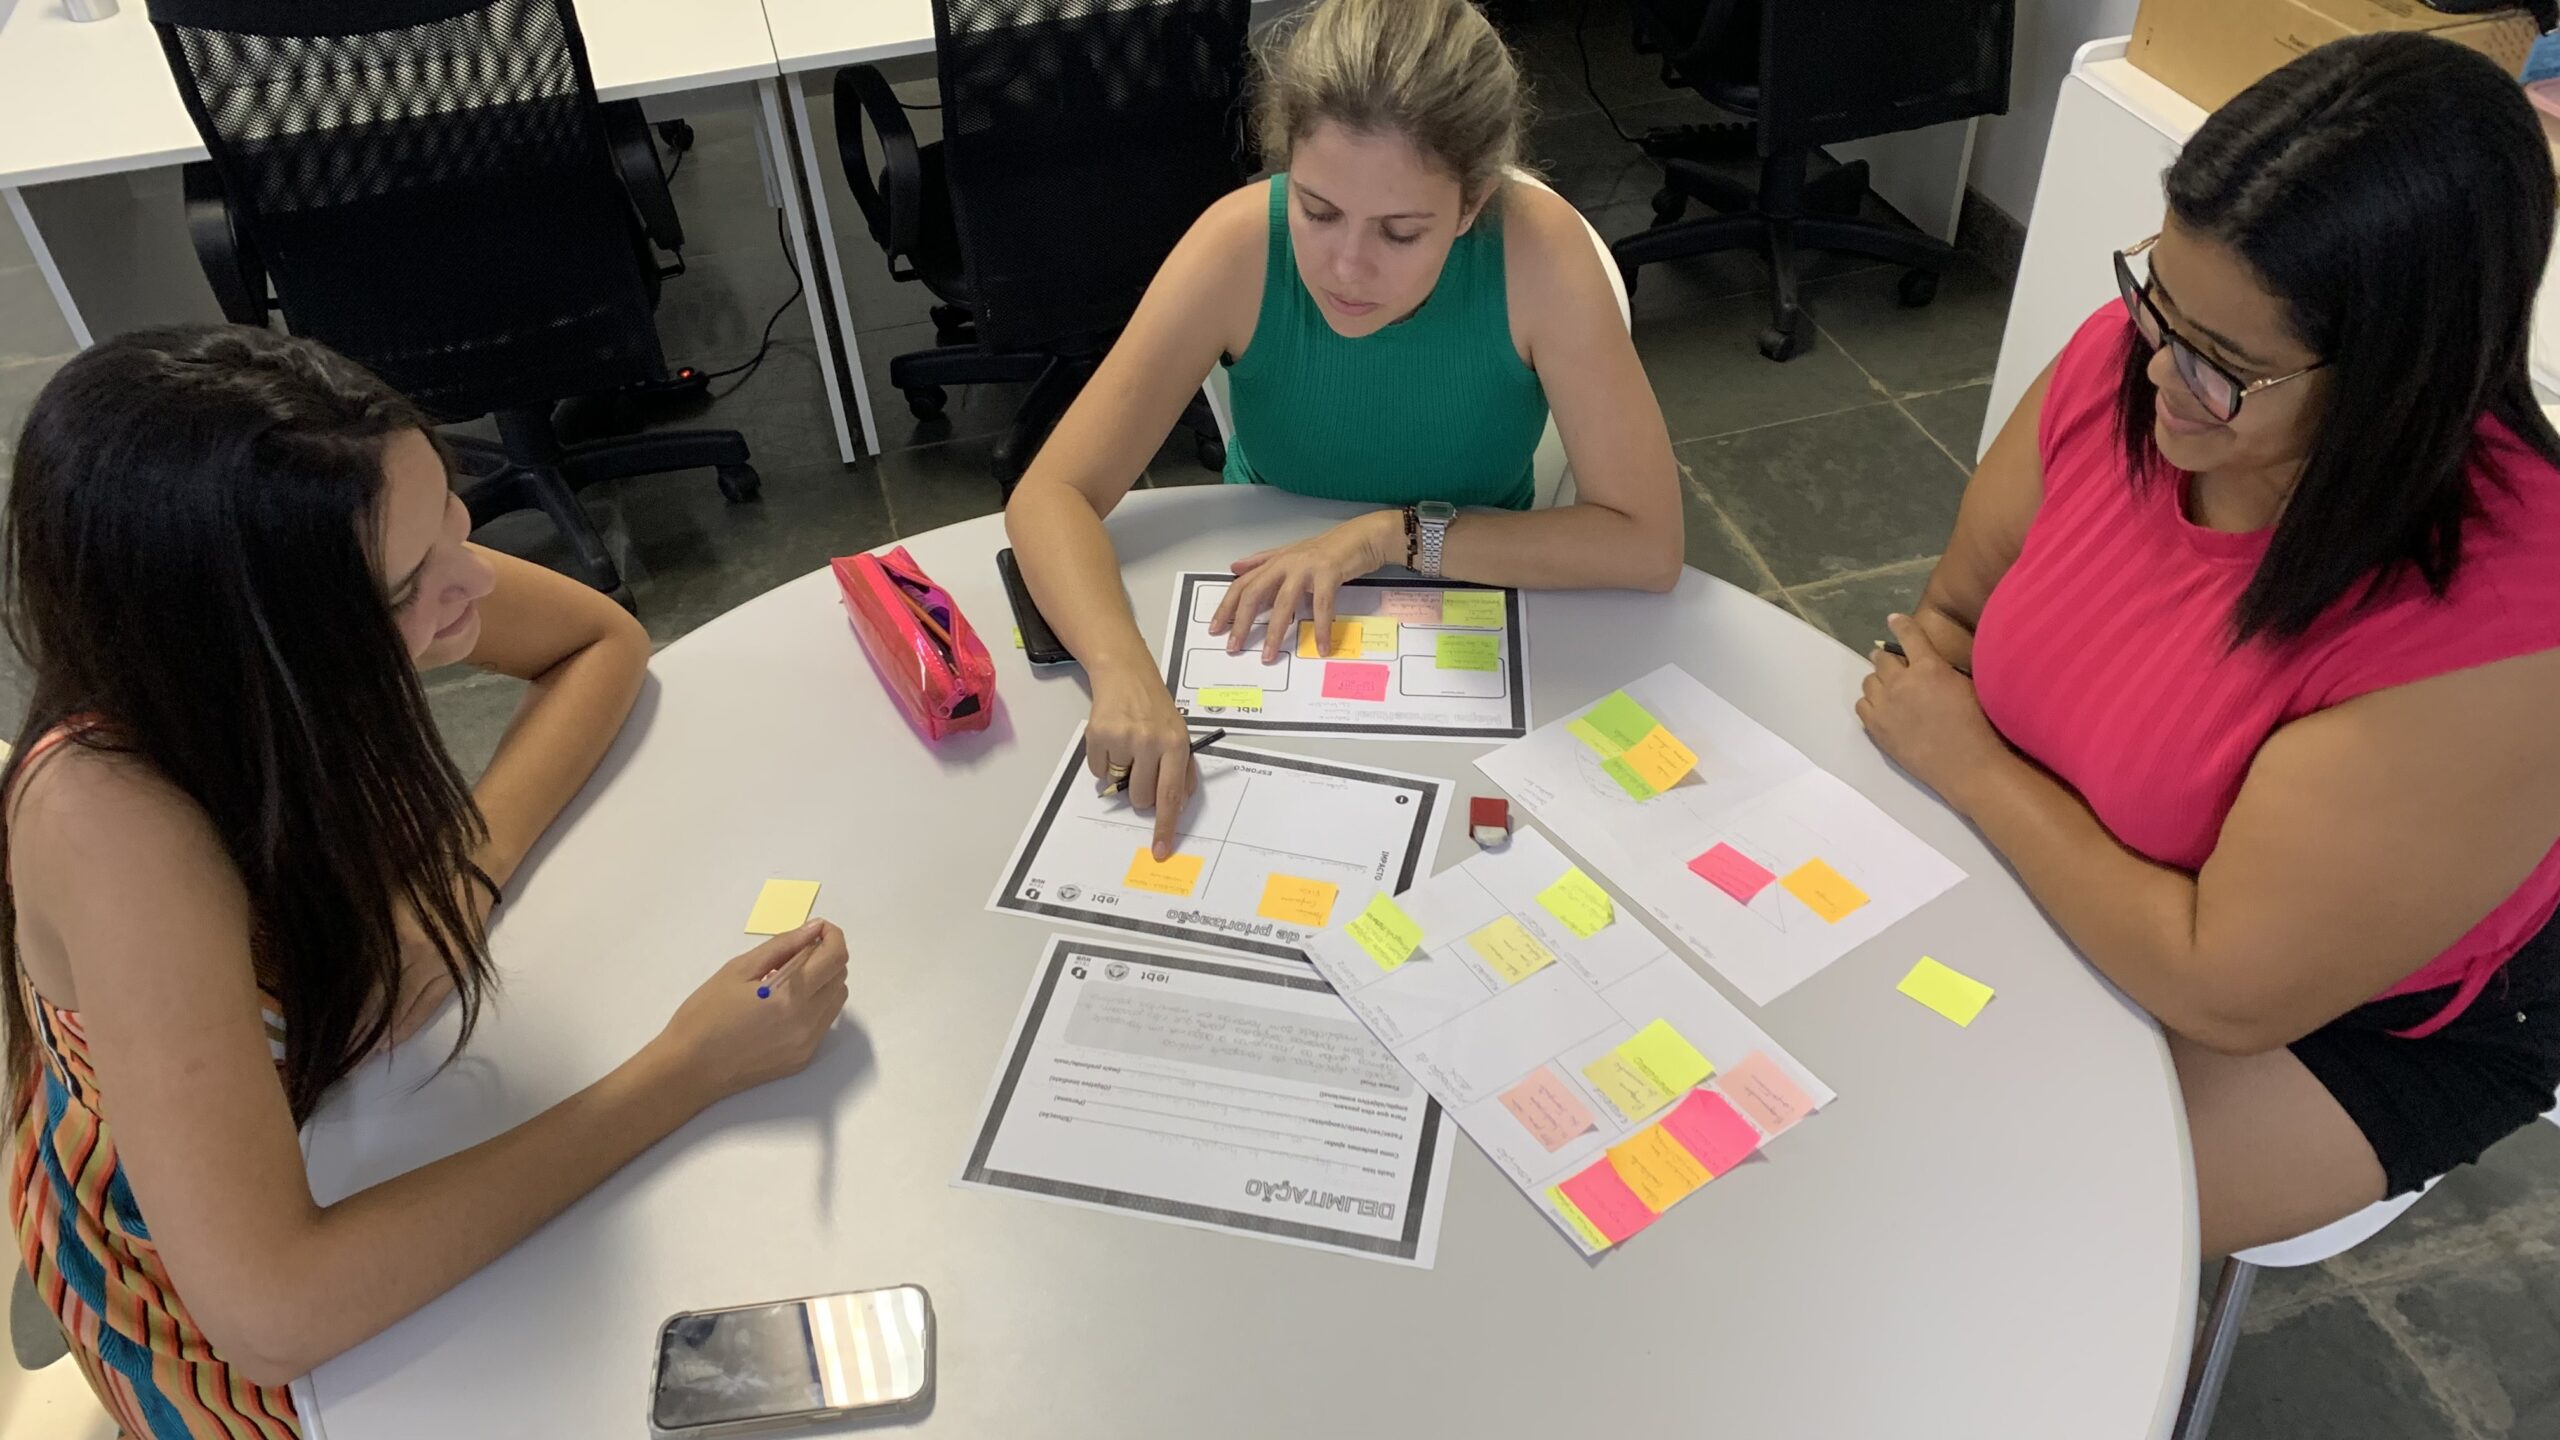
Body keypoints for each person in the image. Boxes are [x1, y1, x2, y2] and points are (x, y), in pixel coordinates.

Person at [1, 326, 853, 1437]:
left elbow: (598, 640)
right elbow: (274, 1312)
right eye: (409, 584)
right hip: (208, 1293)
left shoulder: (340, 579)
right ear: (253, 638)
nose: (472, 581)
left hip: (333, 1127)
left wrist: (458, 883)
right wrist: (684, 1071)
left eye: (453, 518)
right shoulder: (114, 823)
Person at [1854, 35, 2560, 1257]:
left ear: (2398, 380)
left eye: (2226, 365)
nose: (2157, 373)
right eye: (2157, 299)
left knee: (1981, 1238)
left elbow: (2222, 985)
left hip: (2356, 1021)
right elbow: (1952, 628)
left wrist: (1971, 771)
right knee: (1831, 1094)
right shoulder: (2137, 366)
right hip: (2088, 868)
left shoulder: (2497, 629)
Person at [1004, 0, 1684, 856]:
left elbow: (1646, 544)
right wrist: (1121, 672)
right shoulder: (1237, 244)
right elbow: (1052, 493)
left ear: (1471, 204)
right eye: (1318, 211)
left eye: (1401, 232)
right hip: (1267, 612)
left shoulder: (1538, 254)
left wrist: (1388, 536)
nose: (1347, 268)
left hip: (1475, 605)